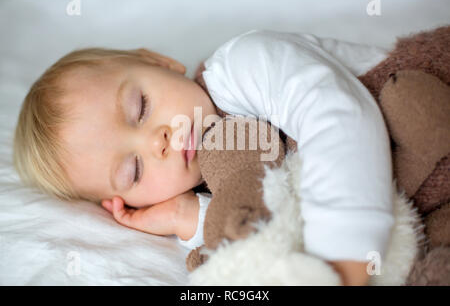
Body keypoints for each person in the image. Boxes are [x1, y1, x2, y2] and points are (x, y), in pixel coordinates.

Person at [13, 29, 394, 286]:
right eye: (134, 169)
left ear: (159, 63)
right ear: (126, 201)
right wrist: (186, 216)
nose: (156, 142)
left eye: (141, 107)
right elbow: (266, 208)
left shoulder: (243, 66)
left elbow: (339, 118)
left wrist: (343, 261)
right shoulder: (211, 171)